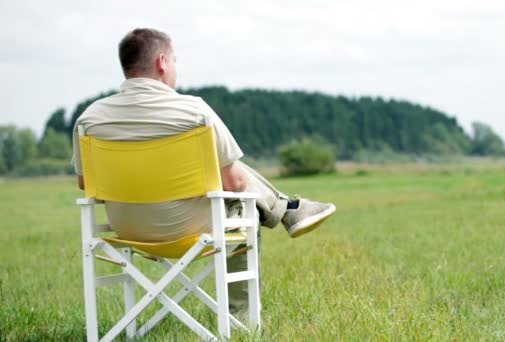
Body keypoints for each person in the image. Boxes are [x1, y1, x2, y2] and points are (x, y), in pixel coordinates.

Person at [71, 28, 335, 319]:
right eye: (174, 60)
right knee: (240, 200)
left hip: (128, 230)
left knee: (229, 174)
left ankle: (290, 209)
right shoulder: (193, 112)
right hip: (189, 229)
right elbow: (234, 183)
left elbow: (87, 183)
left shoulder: (90, 118)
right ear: (161, 62)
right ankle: (243, 316)